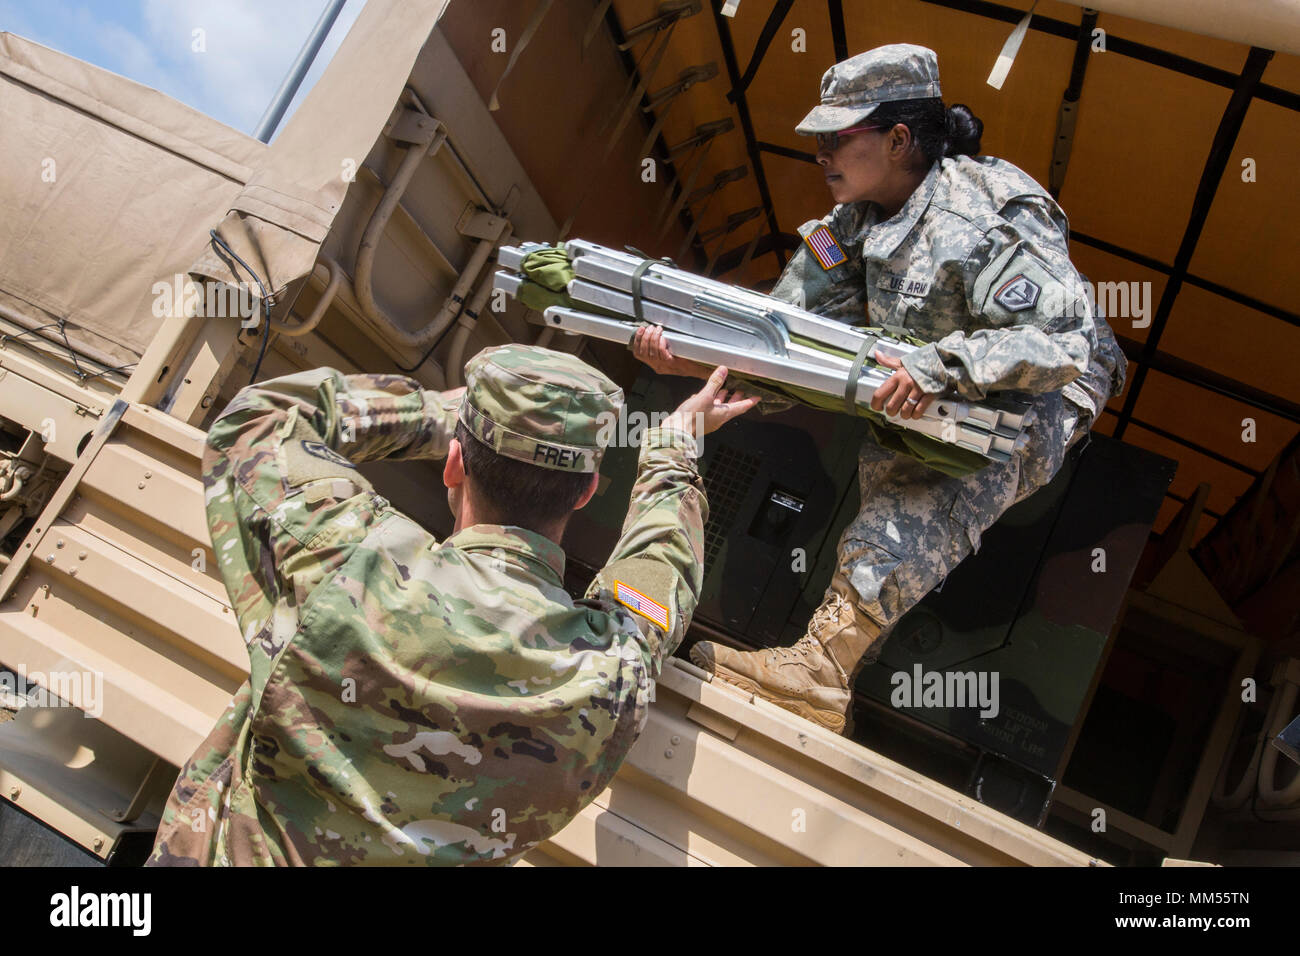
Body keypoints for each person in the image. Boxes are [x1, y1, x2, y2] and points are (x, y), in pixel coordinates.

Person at [633, 44, 1126, 734]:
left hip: (1037, 391)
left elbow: (1062, 341)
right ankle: (818, 672)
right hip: (931, 369)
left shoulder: (983, 213)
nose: (820, 155)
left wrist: (938, 370)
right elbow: (788, 335)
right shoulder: (847, 230)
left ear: (898, 139)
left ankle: (819, 674)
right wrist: (698, 358)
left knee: (922, 484)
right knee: (893, 458)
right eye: (817, 142)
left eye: (837, 138)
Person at [148, 344, 756, 865]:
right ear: (589, 491)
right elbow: (660, 571)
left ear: (455, 463)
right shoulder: (609, 668)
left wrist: (450, 416)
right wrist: (673, 445)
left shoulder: (346, 558)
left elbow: (260, 422)